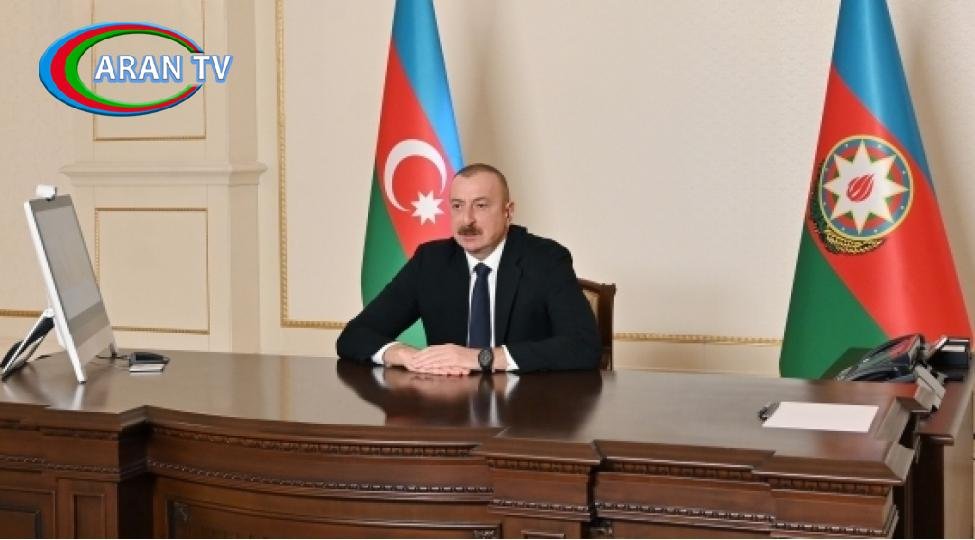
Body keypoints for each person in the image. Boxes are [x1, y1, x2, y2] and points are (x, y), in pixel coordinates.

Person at [336, 163, 600, 374]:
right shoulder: (431, 261)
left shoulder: (546, 259)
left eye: (481, 205)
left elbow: (584, 346)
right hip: (449, 408)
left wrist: (481, 358)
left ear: (508, 212)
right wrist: (405, 355)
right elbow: (354, 335)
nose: (467, 220)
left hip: (526, 410)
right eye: (457, 206)